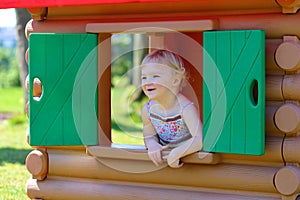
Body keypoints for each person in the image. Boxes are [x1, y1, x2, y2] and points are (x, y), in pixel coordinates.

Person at [141, 49, 203, 168]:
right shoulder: (147, 109)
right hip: (165, 162)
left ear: (175, 80)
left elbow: (199, 140)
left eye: (155, 76)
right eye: (144, 77)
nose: (147, 82)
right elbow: (149, 135)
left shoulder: (185, 109)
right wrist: (152, 145)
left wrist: (176, 153)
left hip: (191, 162)